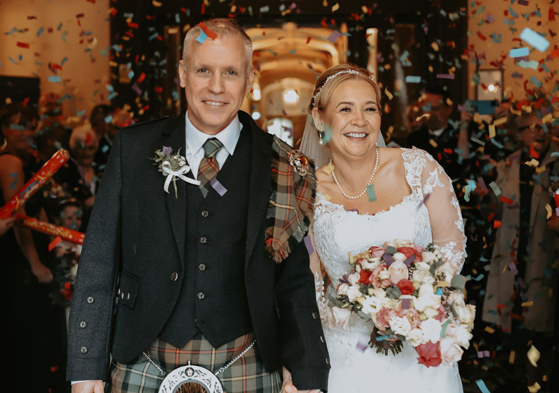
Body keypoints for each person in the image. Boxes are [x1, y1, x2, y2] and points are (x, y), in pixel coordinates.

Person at [67, 18, 329, 393]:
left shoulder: (286, 164)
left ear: (249, 78)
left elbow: (294, 283)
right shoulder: (133, 148)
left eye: (231, 72)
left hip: (246, 359)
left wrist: (307, 377)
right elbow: (98, 265)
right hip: (144, 357)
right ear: (182, 73)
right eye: (204, 70)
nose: (217, 86)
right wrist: (85, 366)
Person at [299, 64, 467, 392]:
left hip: (422, 354)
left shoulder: (419, 169)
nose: (359, 120)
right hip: (346, 357)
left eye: (370, 108)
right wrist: (361, 309)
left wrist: (421, 300)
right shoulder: (306, 193)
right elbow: (310, 281)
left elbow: (452, 245)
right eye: (345, 109)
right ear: (320, 119)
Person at [482, 106, 558, 392]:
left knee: (539, 324)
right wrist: (485, 197)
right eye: (533, 127)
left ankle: (536, 381)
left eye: (544, 126)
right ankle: (509, 379)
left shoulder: (556, 163)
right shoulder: (507, 166)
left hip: (544, 254)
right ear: (521, 134)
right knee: (509, 319)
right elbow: (494, 206)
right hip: (511, 254)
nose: (540, 132)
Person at [407, 84, 470, 181]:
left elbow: (464, 168)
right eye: (427, 108)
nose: (430, 114)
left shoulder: (459, 136)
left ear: (448, 109)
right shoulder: (414, 138)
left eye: (435, 109)